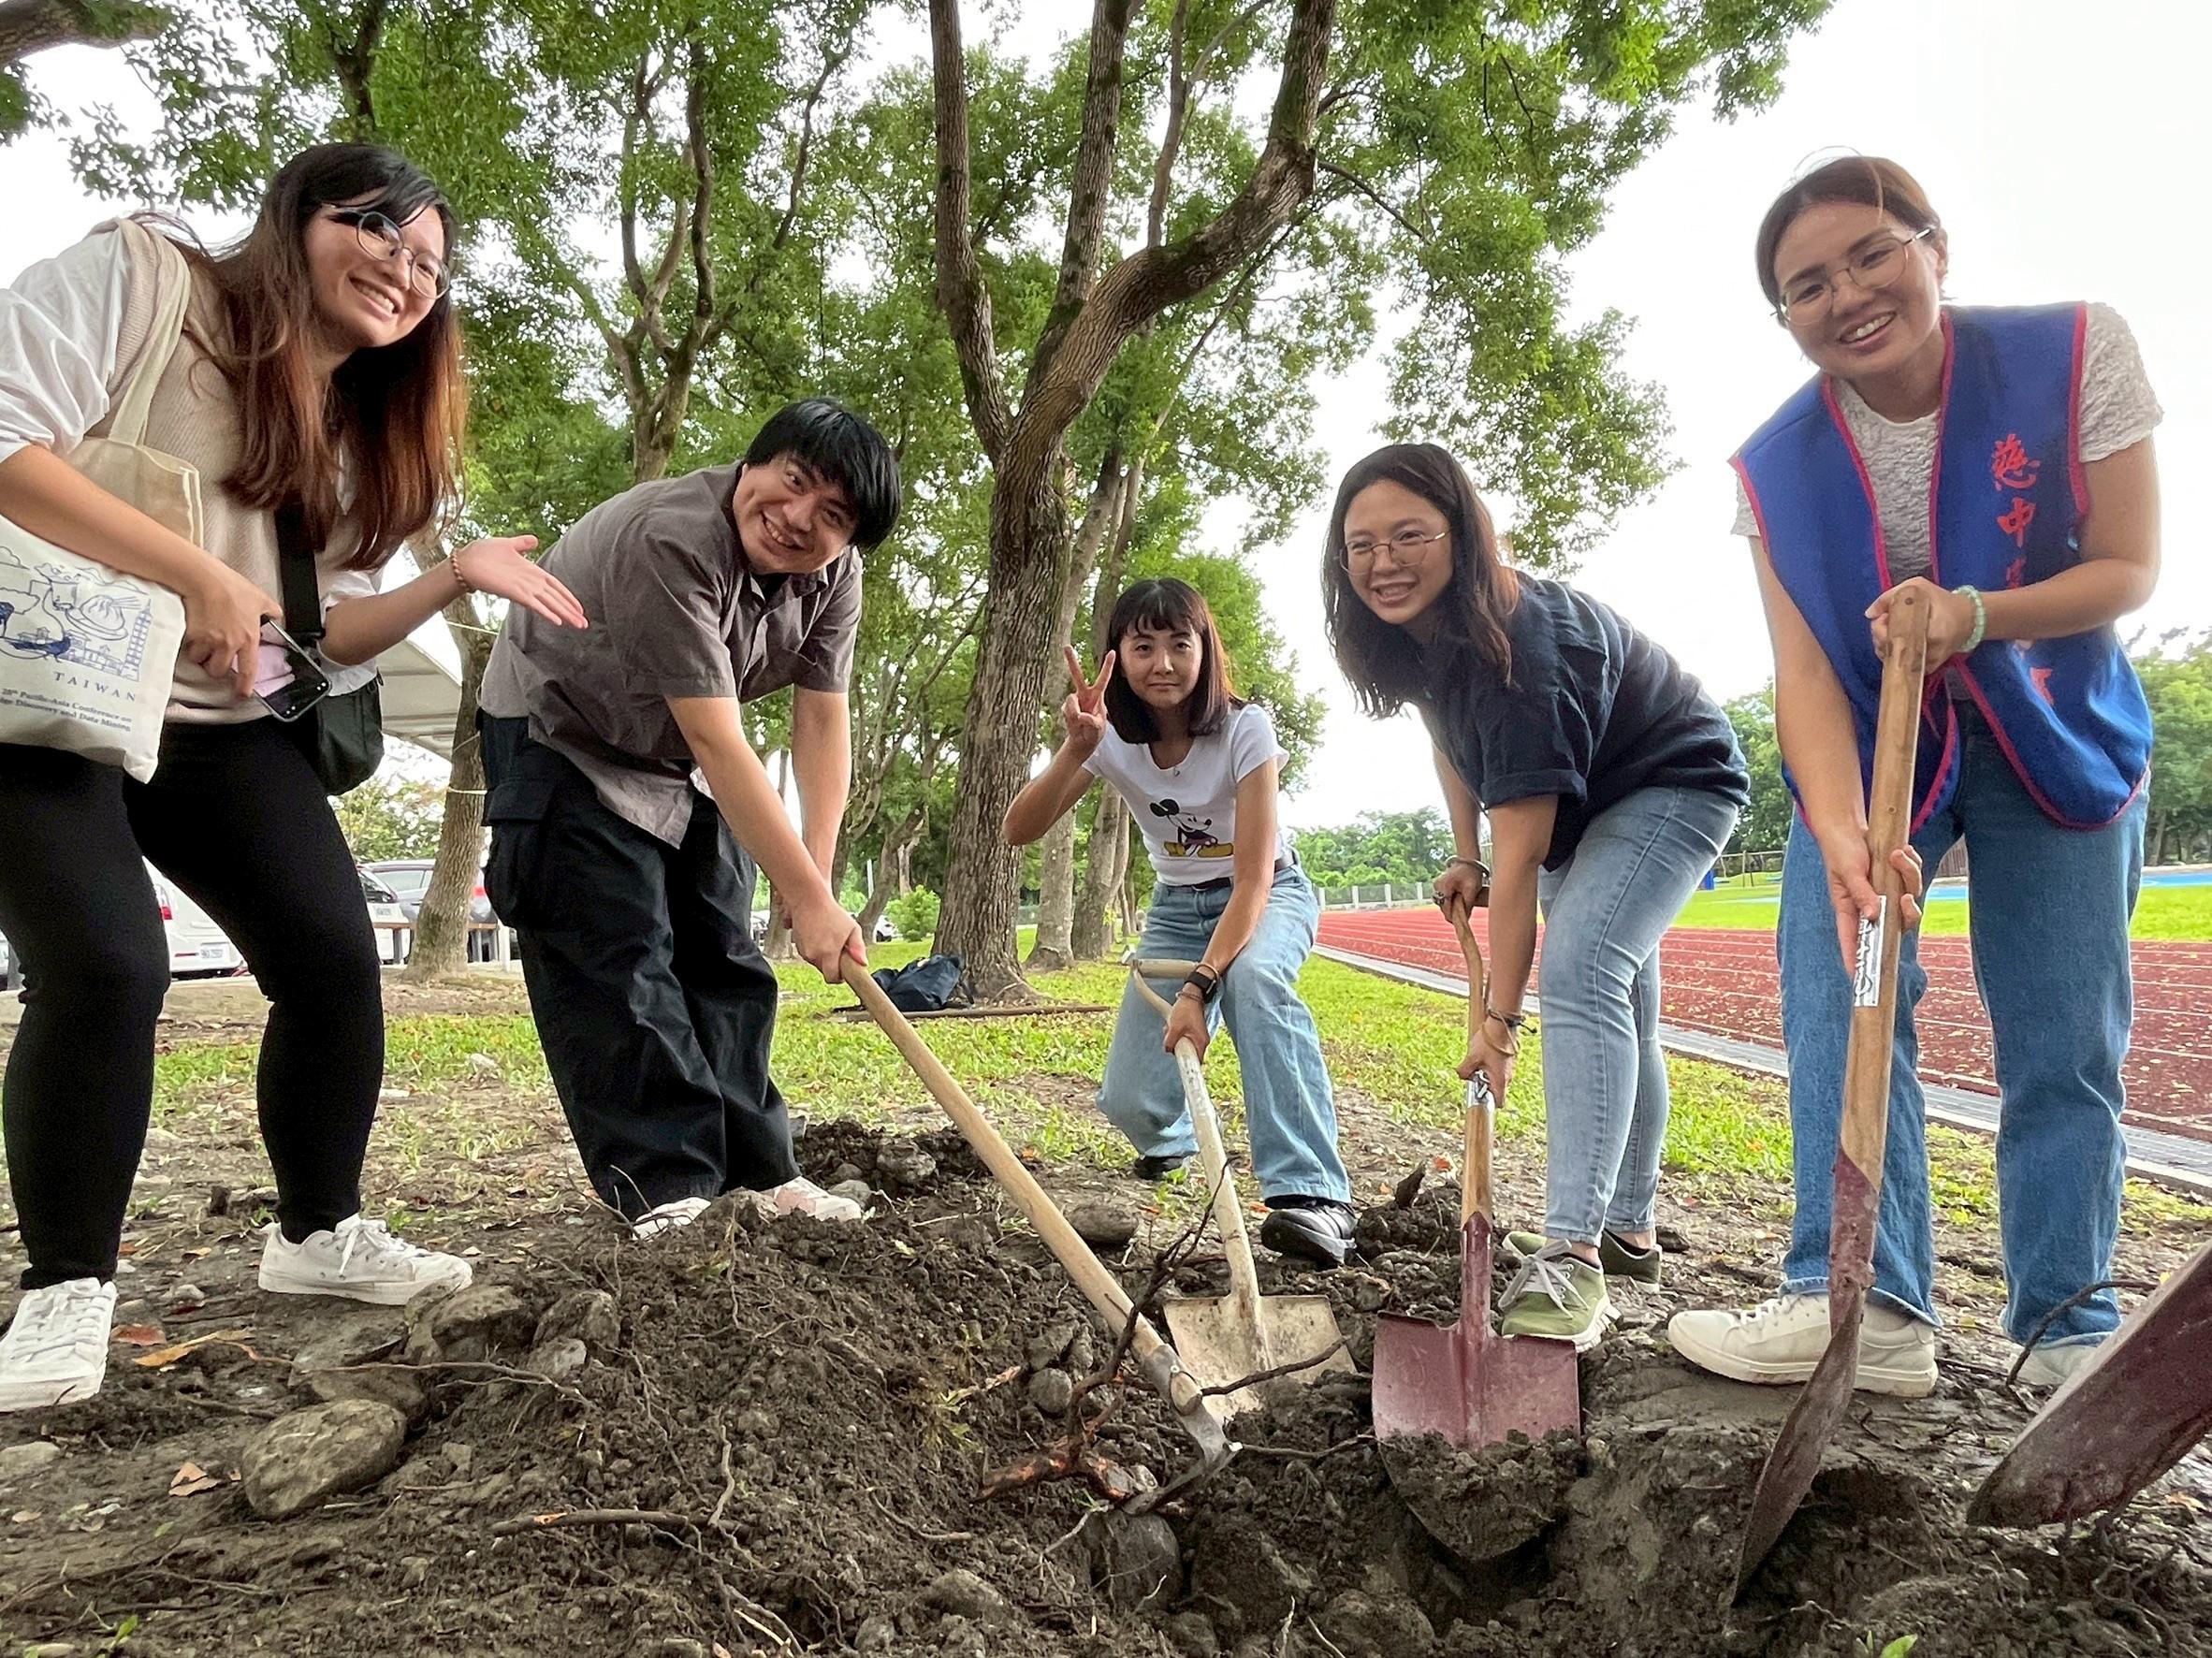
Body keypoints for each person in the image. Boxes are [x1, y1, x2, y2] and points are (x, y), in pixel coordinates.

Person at [0, 144, 582, 1412]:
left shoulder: (360, 428)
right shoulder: (144, 283)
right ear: (296, 216)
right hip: (44, 697)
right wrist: (194, 572)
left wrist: (450, 578)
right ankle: (63, 1288)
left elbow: (319, 639)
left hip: (221, 720)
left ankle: (317, 1234)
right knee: (107, 963)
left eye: (429, 263)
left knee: (330, 956)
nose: (401, 268)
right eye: (377, 227)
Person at [1668, 156, 2161, 1395]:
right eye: (1806, 286)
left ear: (1935, 247)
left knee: (2060, 1027)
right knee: (1839, 985)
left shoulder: (2074, 352)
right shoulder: (1774, 468)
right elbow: (1805, 679)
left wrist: (1973, 616)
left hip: (2053, 717)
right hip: (1887, 742)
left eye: (1872, 253)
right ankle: (1868, 1304)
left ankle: (2068, 1324)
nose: (1847, 294)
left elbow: (2128, 566)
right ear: (1785, 320)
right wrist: (1840, 836)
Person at [1326, 444, 1748, 1347]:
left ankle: (1575, 1256)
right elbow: (1446, 739)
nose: (1383, 563)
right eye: (1360, 545)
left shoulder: (1521, 651)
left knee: (1586, 969)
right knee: (1624, 1003)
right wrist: (1461, 850)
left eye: (1409, 536)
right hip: (1580, 798)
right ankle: (1629, 1230)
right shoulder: (1428, 642)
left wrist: (1498, 1023)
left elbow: (1521, 868)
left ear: (1464, 537)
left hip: (1670, 779)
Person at [476, 399, 899, 1238]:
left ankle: (761, 1173)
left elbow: (822, 716)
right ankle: (668, 1188)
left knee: (725, 955)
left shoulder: (834, 578)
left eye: (832, 516)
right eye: (794, 482)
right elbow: (716, 733)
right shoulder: (671, 538)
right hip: (563, 731)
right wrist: (810, 898)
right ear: (754, 462)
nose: (796, 520)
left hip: (672, 753)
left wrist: (811, 878)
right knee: (622, 957)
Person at [1004, 577, 1356, 1268]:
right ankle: (1172, 1143)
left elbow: (1254, 878)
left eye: (1178, 644)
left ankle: (1314, 1196)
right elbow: (1018, 829)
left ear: (1204, 652)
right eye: (1143, 647)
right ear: (1118, 658)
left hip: (1266, 892)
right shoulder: (1106, 740)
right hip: (1176, 907)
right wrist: (1076, 748)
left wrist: (1199, 987)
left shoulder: (1244, 729)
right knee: (1131, 1102)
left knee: (1254, 982)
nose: (1162, 664)